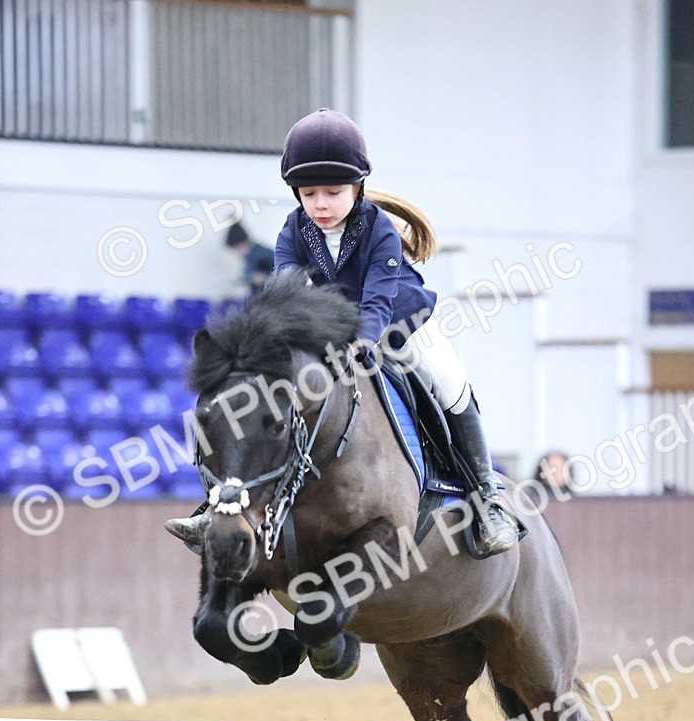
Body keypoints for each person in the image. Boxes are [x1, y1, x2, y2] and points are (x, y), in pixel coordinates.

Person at [174, 109, 517, 556]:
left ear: (357, 187)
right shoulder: (293, 232)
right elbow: (283, 296)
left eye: (332, 193)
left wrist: (360, 344)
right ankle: (225, 501)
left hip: (401, 324)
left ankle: (486, 497)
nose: (319, 204)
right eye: (309, 193)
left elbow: (376, 304)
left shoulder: (379, 232)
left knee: (451, 386)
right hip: (332, 334)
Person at [225, 221, 276, 296]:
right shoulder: (249, 257)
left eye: (238, 248)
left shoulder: (263, 255)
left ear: (243, 244)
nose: (238, 253)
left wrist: (264, 278)